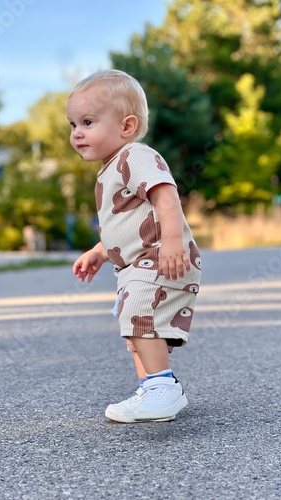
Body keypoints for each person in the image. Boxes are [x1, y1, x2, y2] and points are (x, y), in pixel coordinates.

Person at [67, 69, 201, 423]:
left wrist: (173, 241)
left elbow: (166, 195)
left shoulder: (135, 156)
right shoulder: (112, 168)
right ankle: (152, 389)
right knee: (137, 327)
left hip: (159, 256)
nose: (77, 132)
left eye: (88, 121)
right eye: (73, 124)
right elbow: (124, 225)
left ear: (126, 127)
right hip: (136, 263)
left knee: (140, 317)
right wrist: (99, 252)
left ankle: (161, 388)